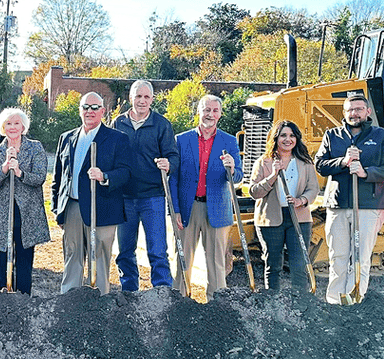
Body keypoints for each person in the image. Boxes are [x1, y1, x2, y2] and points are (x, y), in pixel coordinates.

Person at [314, 92, 384, 304]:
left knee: (361, 257)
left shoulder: (381, 136)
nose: (354, 113)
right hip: (338, 204)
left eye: (359, 109)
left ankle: (355, 300)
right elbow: (320, 165)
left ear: (367, 111)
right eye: (350, 110)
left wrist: (365, 172)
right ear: (344, 113)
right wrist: (343, 162)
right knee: (338, 256)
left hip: (368, 205)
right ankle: (335, 301)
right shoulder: (332, 135)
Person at [51, 92, 130, 294]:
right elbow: (59, 176)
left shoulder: (117, 139)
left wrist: (104, 176)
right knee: (72, 255)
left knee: (100, 257)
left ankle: (100, 299)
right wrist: (57, 208)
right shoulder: (66, 138)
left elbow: (126, 173)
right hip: (72, 207)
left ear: (103, 111)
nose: (90, 111)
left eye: (95, 107)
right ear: (80, 110)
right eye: (85, 107)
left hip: (103, 208)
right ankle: (70, 299)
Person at [169, 95, 241, 299]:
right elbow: (173, 179)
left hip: (217, 209)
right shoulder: (182, 140)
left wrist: (232, 168)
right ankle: (179, 303)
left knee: (217, 263)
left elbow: (238, 176)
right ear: (198, 111)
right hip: (188, 208)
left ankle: (217, 305)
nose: (210, 114)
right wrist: (174, 210)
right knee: (182, 260)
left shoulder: (229, 141)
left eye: (215, 110)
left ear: (220, 114)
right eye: (206, 110)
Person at [114, 80, 180, 292]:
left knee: (157, 251)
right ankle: (129, 293)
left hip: (153, 197)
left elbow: (173, 156)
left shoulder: (162, 125)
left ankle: (162, 293)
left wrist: (169, 164)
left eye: (146, 97)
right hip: (124, 198)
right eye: (138, 96)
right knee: (125, 251)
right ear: (130, 98)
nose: (142, 101)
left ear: (152, 99)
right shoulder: (118, 123)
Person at [248, 120, 320, 294]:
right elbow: (254, 192)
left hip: (299, 218)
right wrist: (273, 175)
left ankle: (301, 302)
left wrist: (301, 200)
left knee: (299, 264)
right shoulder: (263, 162)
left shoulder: (305, 162)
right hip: (271, 218)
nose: (288, 139)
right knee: (273, 264)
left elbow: (313, 188)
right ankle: (273, 300)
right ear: (275, 138)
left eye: (292, 135)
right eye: (283, 135)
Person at [0, 107, 50, 295]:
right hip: (2, 214)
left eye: (16, 123)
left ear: (23, 127)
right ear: (3, 127)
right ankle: (5, 297)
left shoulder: (35, 147)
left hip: (27, 213)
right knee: (3, 260)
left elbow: (40, 177)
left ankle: (23, 298)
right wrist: (5, 167)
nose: (12, 127)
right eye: (8, 123)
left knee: (24, 261)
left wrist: (20, 172)